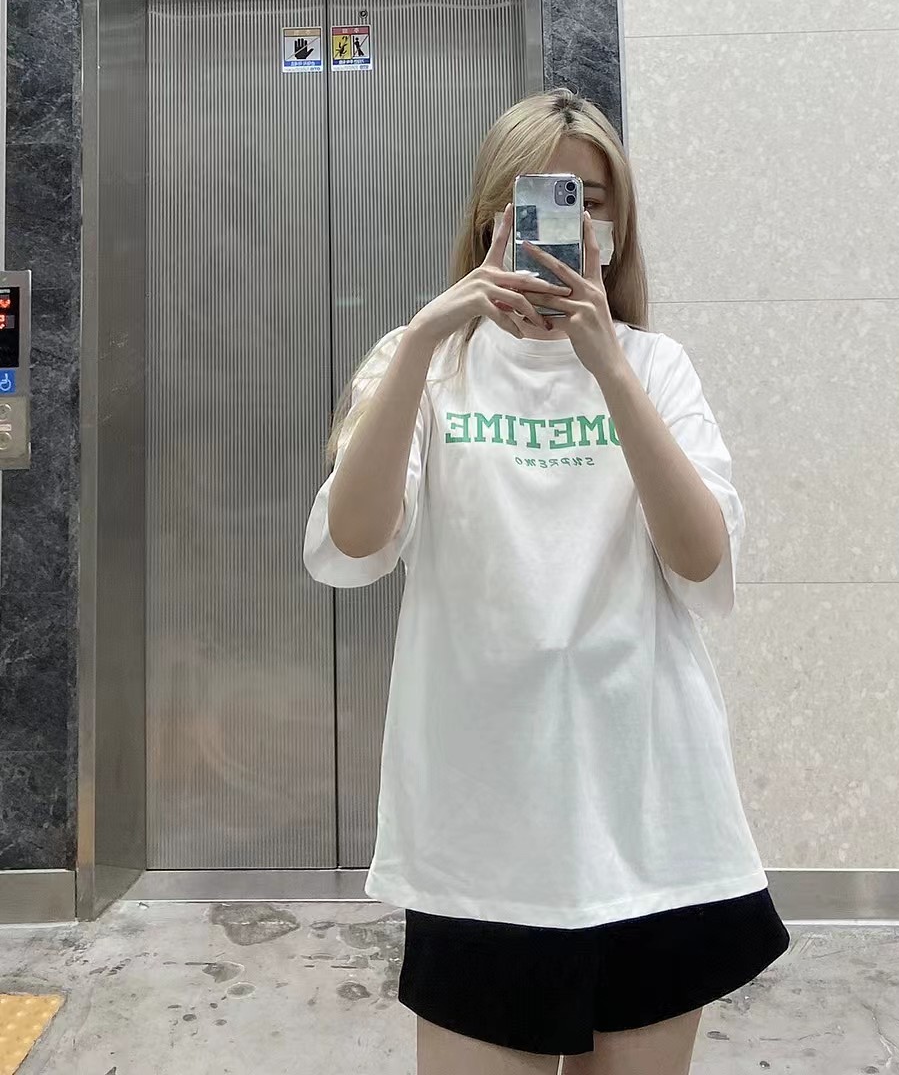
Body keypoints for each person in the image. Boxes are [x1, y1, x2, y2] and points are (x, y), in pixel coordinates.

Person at [304, 88, 789, 1075]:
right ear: (494, 216)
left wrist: (608, 368)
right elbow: (354, 546)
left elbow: (702, 562)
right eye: (541, 196)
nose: (572, 221)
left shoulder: (655, 367)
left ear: (618, 226)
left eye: (592, 199)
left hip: (654, 825)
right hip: (480, 838)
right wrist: (424, 341)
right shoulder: (423, 363)